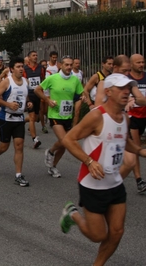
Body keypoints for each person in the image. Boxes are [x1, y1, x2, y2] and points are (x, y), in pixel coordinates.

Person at [59, 74, 146, 266]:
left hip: (114, 183)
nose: (126, 92)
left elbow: (123, 141)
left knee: (116, 232)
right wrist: (89, 161)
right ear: (108, 91)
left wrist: (140, 150)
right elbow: (68, 139)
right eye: (121, 88)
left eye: (128, 88)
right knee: (98, 235)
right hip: (92, 184)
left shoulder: (124, 117)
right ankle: (72, 214)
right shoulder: (97, 116)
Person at [35, 55, 84, 178]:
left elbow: (81, 93)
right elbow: (37, 90)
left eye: (70, 65)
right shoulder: (52, 78)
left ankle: (53, 165)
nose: (69, 67)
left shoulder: (75, 80)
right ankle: (51, 152)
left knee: (64, 145)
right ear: (61, 65)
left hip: (67, 115)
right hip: (55, 114)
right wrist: (47, 100)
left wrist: (83, 97)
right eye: (66, 64)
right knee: (64, 141)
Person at [0, 57, 32, 187]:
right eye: (18, 67)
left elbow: (25, 95)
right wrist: (8, 104)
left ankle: (18, 175)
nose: (21, 69)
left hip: (19, 118)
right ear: (12, 69)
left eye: (22, 66)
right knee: (4, 147)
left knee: (19, 145)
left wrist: (28, 102)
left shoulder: (25, 81)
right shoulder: (7, 82)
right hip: (5, 118)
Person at [121, 54, 146, 193]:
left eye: (143, 62)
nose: (141, 65)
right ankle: (139, 179)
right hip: (133, 117)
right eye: (138, 62)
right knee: (136, 147)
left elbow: (140, 98)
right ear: (131, 64)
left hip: (145, 115)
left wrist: (136, 100)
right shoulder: (126, 79)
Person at [23, 51, 46, 148]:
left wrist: (42, 94)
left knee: (37, 118)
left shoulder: (41, 68)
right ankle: (35, 140)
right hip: (29, 95)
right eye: (33, 55)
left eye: (36, 55)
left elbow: (43, 81)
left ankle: (22, 120)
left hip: (38, 94)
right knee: (32, 117)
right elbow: (23, 82)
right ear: (29, 57)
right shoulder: (24, 69)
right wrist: (26, 98)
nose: (36, 57)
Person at [72, 58, 85, 126]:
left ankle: (74, 127)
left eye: (79, 63)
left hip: (78, 94)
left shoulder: (81, 72)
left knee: (77, 112)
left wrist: (83, 94)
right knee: (70, 111)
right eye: (76, 63)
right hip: (70, 94)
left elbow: (82, 83)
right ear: (73, 64)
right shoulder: (70, 72)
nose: (78, 65)